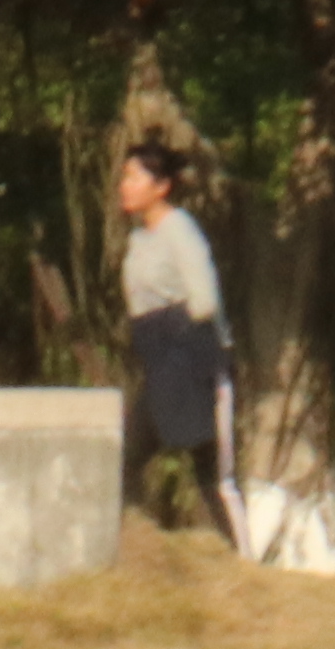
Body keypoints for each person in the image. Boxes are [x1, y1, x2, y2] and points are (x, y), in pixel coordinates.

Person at [108, 139, 233, 542]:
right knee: (126, 457)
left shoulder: (180, 230)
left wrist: (179, 347)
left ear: (161, 186)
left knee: (212, 476)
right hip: (160, 366)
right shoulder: (139, 240)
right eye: (124, 177)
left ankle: (245, 568)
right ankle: (135, 545)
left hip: (192, 362)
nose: (124, 186)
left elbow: (205, 302)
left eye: (133, 177)